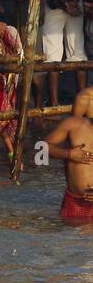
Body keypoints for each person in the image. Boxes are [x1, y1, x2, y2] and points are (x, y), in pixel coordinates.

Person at [43, 88, 93, 221]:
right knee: (68, 240)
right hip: (74, 204)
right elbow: (40, 150)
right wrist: (68, 153)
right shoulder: (73, 124)